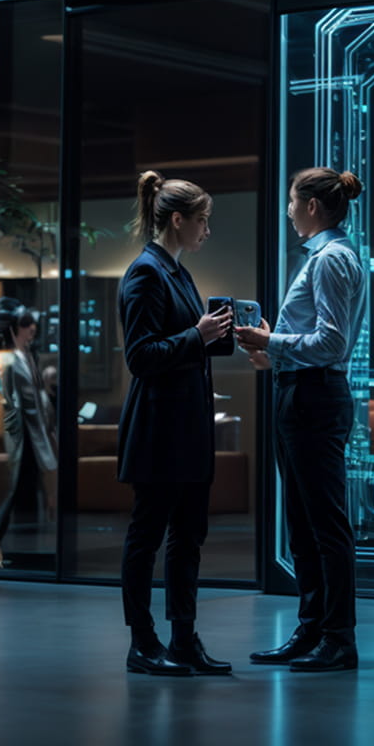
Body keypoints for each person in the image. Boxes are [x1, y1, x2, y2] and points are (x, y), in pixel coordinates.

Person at [237, 166, 367, 673]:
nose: (289, 210)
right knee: (304, 523)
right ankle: (313, 630)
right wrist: (278, 353)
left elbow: (332, 343)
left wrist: (272, 342)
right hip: (301, 393)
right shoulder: (325, 255)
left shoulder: (332, 258)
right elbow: (316, 341)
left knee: (325, 526)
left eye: (293, 202)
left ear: (312, 206)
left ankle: (338, 637)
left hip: (315, 400)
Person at [116, 172, 234, 677]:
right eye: (203, 220)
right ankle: (142, 642)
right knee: (148, 536)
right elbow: (140, 357)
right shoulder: (145, 273)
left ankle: (183, 639)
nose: (207, 230)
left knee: (188, 535)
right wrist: (197, 335)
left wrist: (212, 336)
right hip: (160, 432)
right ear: (178, 219)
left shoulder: (177, 272)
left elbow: (184, 343)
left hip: (185, 431)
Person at [0, 298, 56, 571]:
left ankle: (12, 548)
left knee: (29, 489)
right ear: (14, 328)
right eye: (26, 325)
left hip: (33, 432)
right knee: (15, 491)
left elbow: (36, 399)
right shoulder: (12, 361)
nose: (32, 329)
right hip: (23, 435)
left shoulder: (26, 356)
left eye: (32, 324)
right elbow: (13, 401)